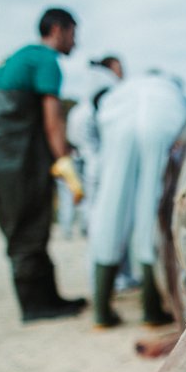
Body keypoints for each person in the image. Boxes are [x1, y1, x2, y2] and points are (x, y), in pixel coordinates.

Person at [0, 7, 87, 323]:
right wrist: (65, 161)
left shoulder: (21, 57)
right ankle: (35, 306)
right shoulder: (45, 60)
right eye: (72, 33)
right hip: (13, 154)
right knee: (26, 220)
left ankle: (48, 298)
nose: (75, 42)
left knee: (32, 219)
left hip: (1, 151)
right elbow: (53, 120)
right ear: (57, 29)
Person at [89, 70, 186, 327]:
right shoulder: (172, 90)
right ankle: (151, 307)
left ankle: (101, 310)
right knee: (152, 206)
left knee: (111, 206)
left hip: (119, 121)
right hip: (165, 122)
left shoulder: (125, 89)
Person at [62, 56, 122, 239]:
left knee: (74, 195)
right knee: (90, 196)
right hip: (91, 156)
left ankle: (73, 228)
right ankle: (89, 228)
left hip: (78, 154)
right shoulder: (95, 103)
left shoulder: (78, 110)